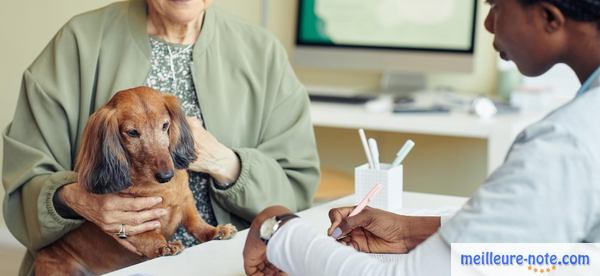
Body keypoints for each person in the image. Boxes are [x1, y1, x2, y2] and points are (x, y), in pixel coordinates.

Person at [243, 0, 600, 275]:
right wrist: (420, 232)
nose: (488, 24)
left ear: (550, 19)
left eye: (495, 6)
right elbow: (582, 259)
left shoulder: (564, 143)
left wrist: (279, 229)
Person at [2, 0, 320, 275]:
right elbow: (24, 181)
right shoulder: (78, 42)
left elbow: (296, 192)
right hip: (100, 266)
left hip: (234, 263)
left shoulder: (264, 54)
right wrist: (80, 199)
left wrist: (228, 164)